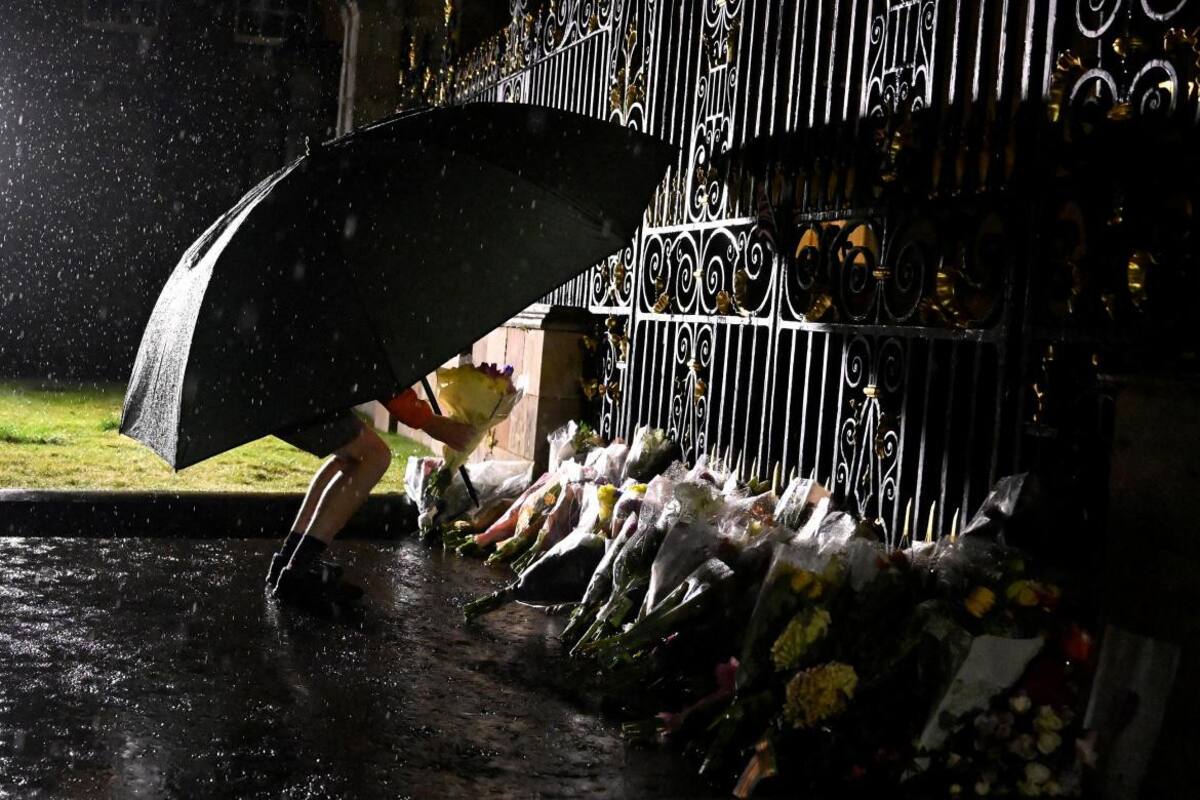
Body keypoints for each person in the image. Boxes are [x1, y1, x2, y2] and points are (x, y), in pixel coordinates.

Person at [265, 387, 473, 607]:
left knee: (352, 457)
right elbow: (380, 379)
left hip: (286, 382)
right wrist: (430, 422)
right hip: (294, 389)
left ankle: (290, 560)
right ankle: (298, 574)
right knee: (374, 456)